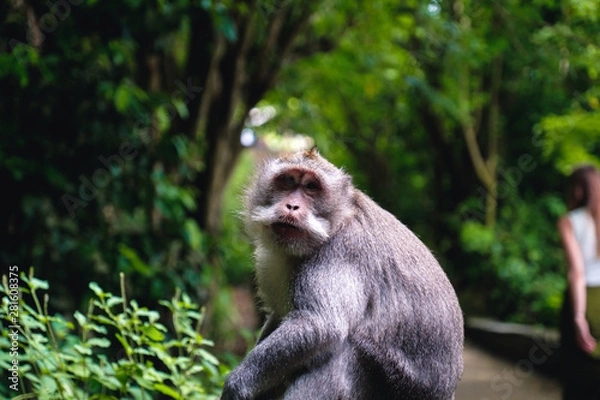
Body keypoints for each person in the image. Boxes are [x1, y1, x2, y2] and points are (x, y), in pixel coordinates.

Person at [558, 164, 600, 399]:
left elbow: (577, 272)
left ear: (576, 189)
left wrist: (578, 316)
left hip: (584, 298)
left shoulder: (570, 221)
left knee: (577, 375)